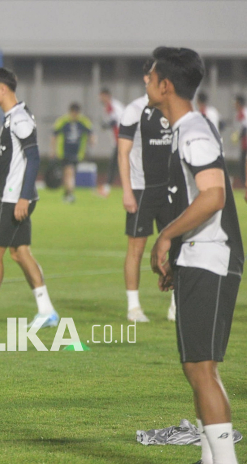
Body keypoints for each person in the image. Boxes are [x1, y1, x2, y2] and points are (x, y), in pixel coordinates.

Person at [148, 46, 242, 464]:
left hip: (211, 256)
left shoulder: (194, 132)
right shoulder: (188, 129)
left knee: (201, 368)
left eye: (149, 76)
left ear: (165, 85)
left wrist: (166, 236)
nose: (145, 82)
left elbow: (214, 195)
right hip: (201, 257)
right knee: (200, 367)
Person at [0, 68, 59, 330]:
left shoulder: (19, 118)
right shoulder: (13, 118)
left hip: (14, 199)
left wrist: (24, 197)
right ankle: (47, 311)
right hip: (15, 195)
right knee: (19, 253)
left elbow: (34, 157)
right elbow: (13, 160)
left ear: (2, 89)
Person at [117, 60, 172, 323]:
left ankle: (176, 304)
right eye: (152, 74)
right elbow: (123, 152)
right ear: (145, 78)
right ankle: (134, 307)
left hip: (170, 189)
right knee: (136, 249)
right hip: (140, 189)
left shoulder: (175, 107)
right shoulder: (134, 110)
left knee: (178, 246)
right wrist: (127, 190)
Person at [51, 102, 94, 203]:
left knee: (69, 172)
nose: (75, 115)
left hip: (77, 153)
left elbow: (91, 133)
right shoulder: (63, 121)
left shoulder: (83, 121)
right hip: (63, 152)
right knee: (68, 173)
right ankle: (68, 193)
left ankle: (69, 194)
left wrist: (92, 141)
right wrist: (53, 150)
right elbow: (54, 135)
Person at [98, 87, 125, 196]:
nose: (100, 99)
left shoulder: (113, 106)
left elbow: (118, 119)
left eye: (101, 96)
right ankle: (108, 187)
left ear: (106, 95)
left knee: (115, 164)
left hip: (122, 139)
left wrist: (107, 124)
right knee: (116, 164)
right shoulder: (109, 106)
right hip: (119, 140)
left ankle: (107, 188)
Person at [233, 95, 247, 191]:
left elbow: (244, 129)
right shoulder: (239, 114)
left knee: (243, 164)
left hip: (246, 144)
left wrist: (237, 135)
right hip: (243, 144)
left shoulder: (244, 113)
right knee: (242, 165)